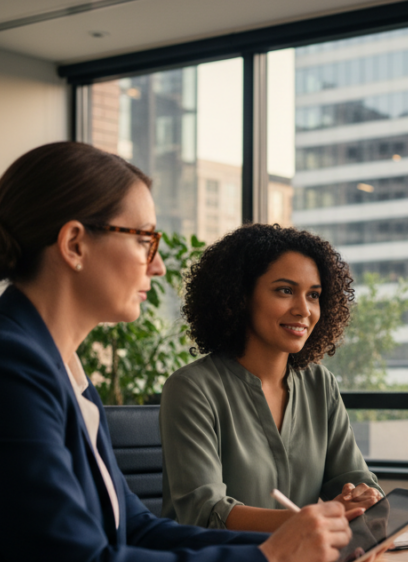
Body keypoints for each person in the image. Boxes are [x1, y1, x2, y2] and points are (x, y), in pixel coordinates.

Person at [0, 142, 357, 562]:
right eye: (145, 240)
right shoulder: (2, 367)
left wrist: (286, 543)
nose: (159, 265)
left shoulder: (59, 369)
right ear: (74, 245)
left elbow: (137, 528)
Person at [159, 224, 382, 533]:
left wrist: (363, 497)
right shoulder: (192, 388)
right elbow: (205, 512)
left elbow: (355, 479)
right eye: (285, 290)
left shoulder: (320, 384)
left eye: (314, 295)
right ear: (241, 295)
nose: (304, 310)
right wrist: (312, 522)